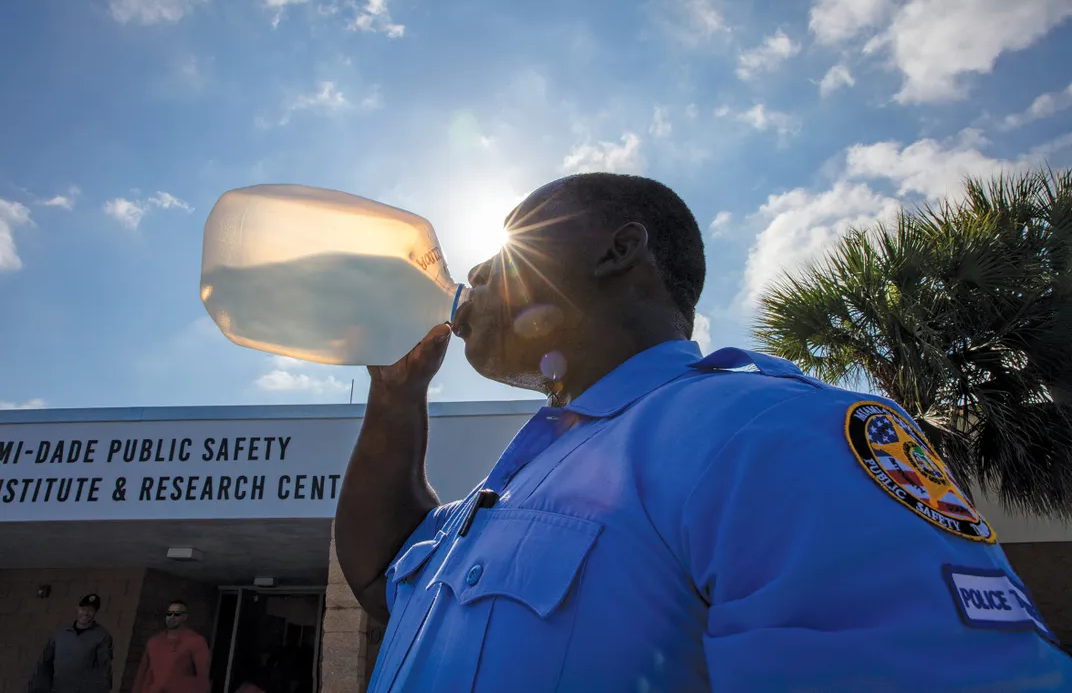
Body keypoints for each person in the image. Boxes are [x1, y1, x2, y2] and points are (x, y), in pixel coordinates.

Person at [334, 172, 1072, 691]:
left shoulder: (773, 432)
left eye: (506, 254)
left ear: (620, 250)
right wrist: (396, 395)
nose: (475, 275)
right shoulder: (522, 477)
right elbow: (382, 573)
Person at [27, 593, 113, 693]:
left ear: (95, 613)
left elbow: (104, 669)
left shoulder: (102, 636)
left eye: (91, 610)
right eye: (83, 609)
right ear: (77, 608)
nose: (86, 613)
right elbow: (45, 662)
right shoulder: (61, 633)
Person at [130, 600, 211, 693]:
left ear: (184, 617)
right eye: (169, 613)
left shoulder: (196, 641)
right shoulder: (154, 641)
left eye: (177, 614)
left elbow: (203, 676)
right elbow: (142, 673)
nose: (172, 617)